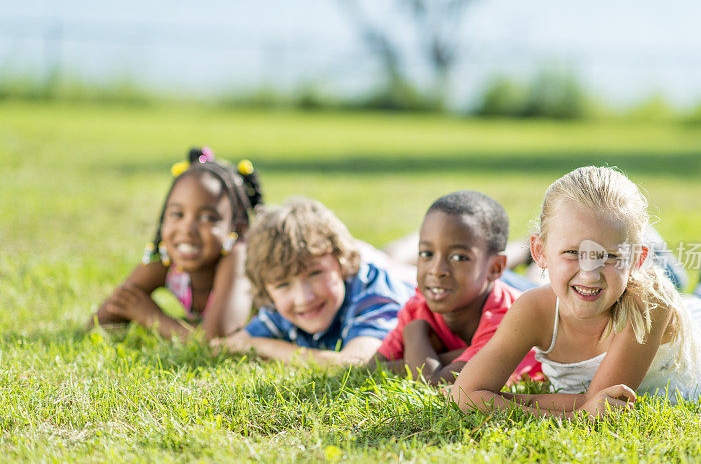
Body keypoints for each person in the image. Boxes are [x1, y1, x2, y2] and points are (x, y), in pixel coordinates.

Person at [450, 166, 701, 419]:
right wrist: (572, 409)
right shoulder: (533, 309)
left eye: (611, 256)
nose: (589, 273)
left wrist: (507, 402)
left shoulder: (650, 303)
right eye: (572, 252)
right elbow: (464, 394)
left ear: (637, 260)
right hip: (697, 319)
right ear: (539, 252)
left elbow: (600, 403)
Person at [368, 191, 542, 384]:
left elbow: (435, 382)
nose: (436, 270)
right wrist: (450, 357)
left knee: (540, 276)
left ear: (496, 267)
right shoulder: (419, 305)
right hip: (483, 282)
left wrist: (415, 333)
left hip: (534, 293)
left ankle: (532, 252)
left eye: (459, 257)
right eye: (426, 253)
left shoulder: (511, 322)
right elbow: (373, 368)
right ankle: (526, 249)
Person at [214, 198, 414, 365]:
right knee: (392, 254)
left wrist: (262, 346)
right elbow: (234, 343)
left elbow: (355, 363)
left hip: (407, 280)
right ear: (267, 289)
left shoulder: (373, 294)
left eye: (315, 274)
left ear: (341, 261)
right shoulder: (280, 308)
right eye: (283, 285)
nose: (303, 298)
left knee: (402, 263)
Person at [90, 147, 263, 339]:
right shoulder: (169, 258)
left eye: (207, 218)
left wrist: (151, 317)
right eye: (177, 214)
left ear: (237, 228)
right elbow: (108, 313)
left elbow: (216, 340)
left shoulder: (238, 258)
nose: (187, 229)